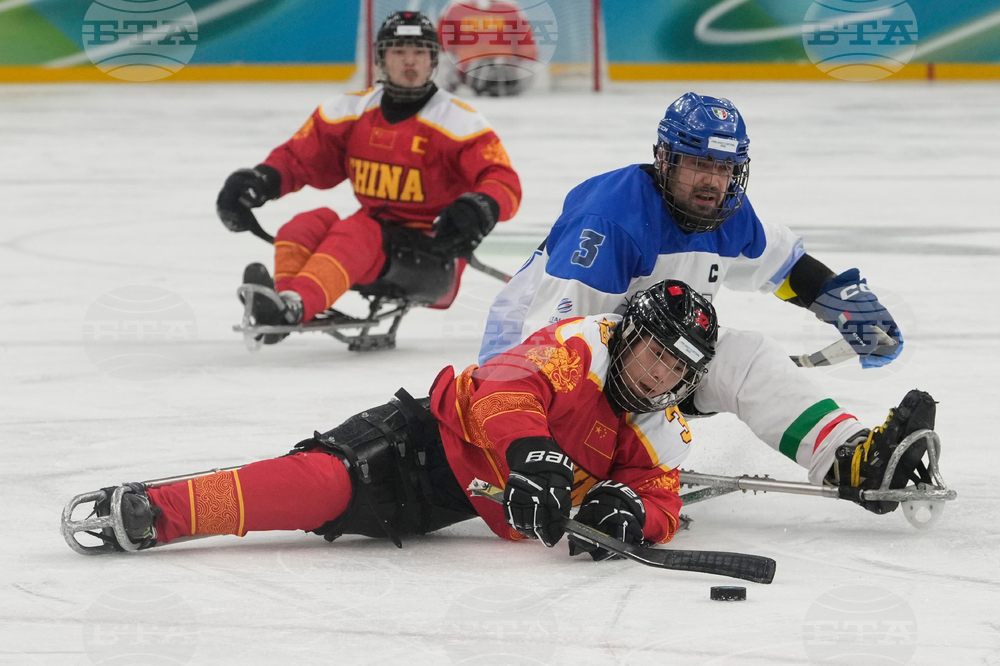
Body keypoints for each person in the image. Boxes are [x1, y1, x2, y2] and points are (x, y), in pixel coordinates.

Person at [65, 281, 936, 558]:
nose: (659, 371)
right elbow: (501, 389)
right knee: (319, 484)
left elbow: (660, 492)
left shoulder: (657, 416)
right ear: (627, 334)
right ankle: (153, 510)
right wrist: (539, 460)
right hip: (421, 444)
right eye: (652, 351)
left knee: (339, 505)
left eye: (677, 366)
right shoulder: (578, 348)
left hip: (450, 510)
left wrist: (631, 513)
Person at [478, 92, 923, 503]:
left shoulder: (726, 213)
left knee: (746, 356)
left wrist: (845, 305)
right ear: (665, 159)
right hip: (523, 380)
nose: (713, 181)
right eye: (699, 164)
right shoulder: (610, 222)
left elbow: (785, 266)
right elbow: (552, 349)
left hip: (648, 364)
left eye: (724, 168)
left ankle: (849, 458)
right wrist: (553, 455)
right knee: (618, 357)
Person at [216, 11, 522, 344]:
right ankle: (285, 306)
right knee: (306, 224)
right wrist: (259, 181)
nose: (410, 62)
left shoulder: (458, 121)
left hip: (434, 258)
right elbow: (299, 158)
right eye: (398, 51)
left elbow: (503, 180)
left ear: (433, 60)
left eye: (419, 52)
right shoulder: (351, 111)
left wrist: (478, 207)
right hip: (373, 241)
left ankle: (293, 305)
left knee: (356, 228)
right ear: (381, 58)